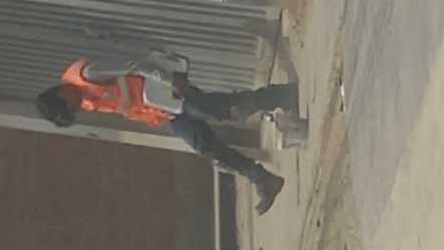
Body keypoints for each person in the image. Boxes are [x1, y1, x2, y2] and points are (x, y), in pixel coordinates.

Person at [37, 65, 299, 213]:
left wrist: (172, 79)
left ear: (60, 93)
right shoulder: (86, 100)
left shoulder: (90, 74)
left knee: (224, 109)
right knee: (206, 147)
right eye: (73, 112)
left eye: (69, 106)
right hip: (167, 111)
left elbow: (134, 61)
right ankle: (263, 179)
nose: (76, 108)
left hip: (170, 93)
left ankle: (282, 96)